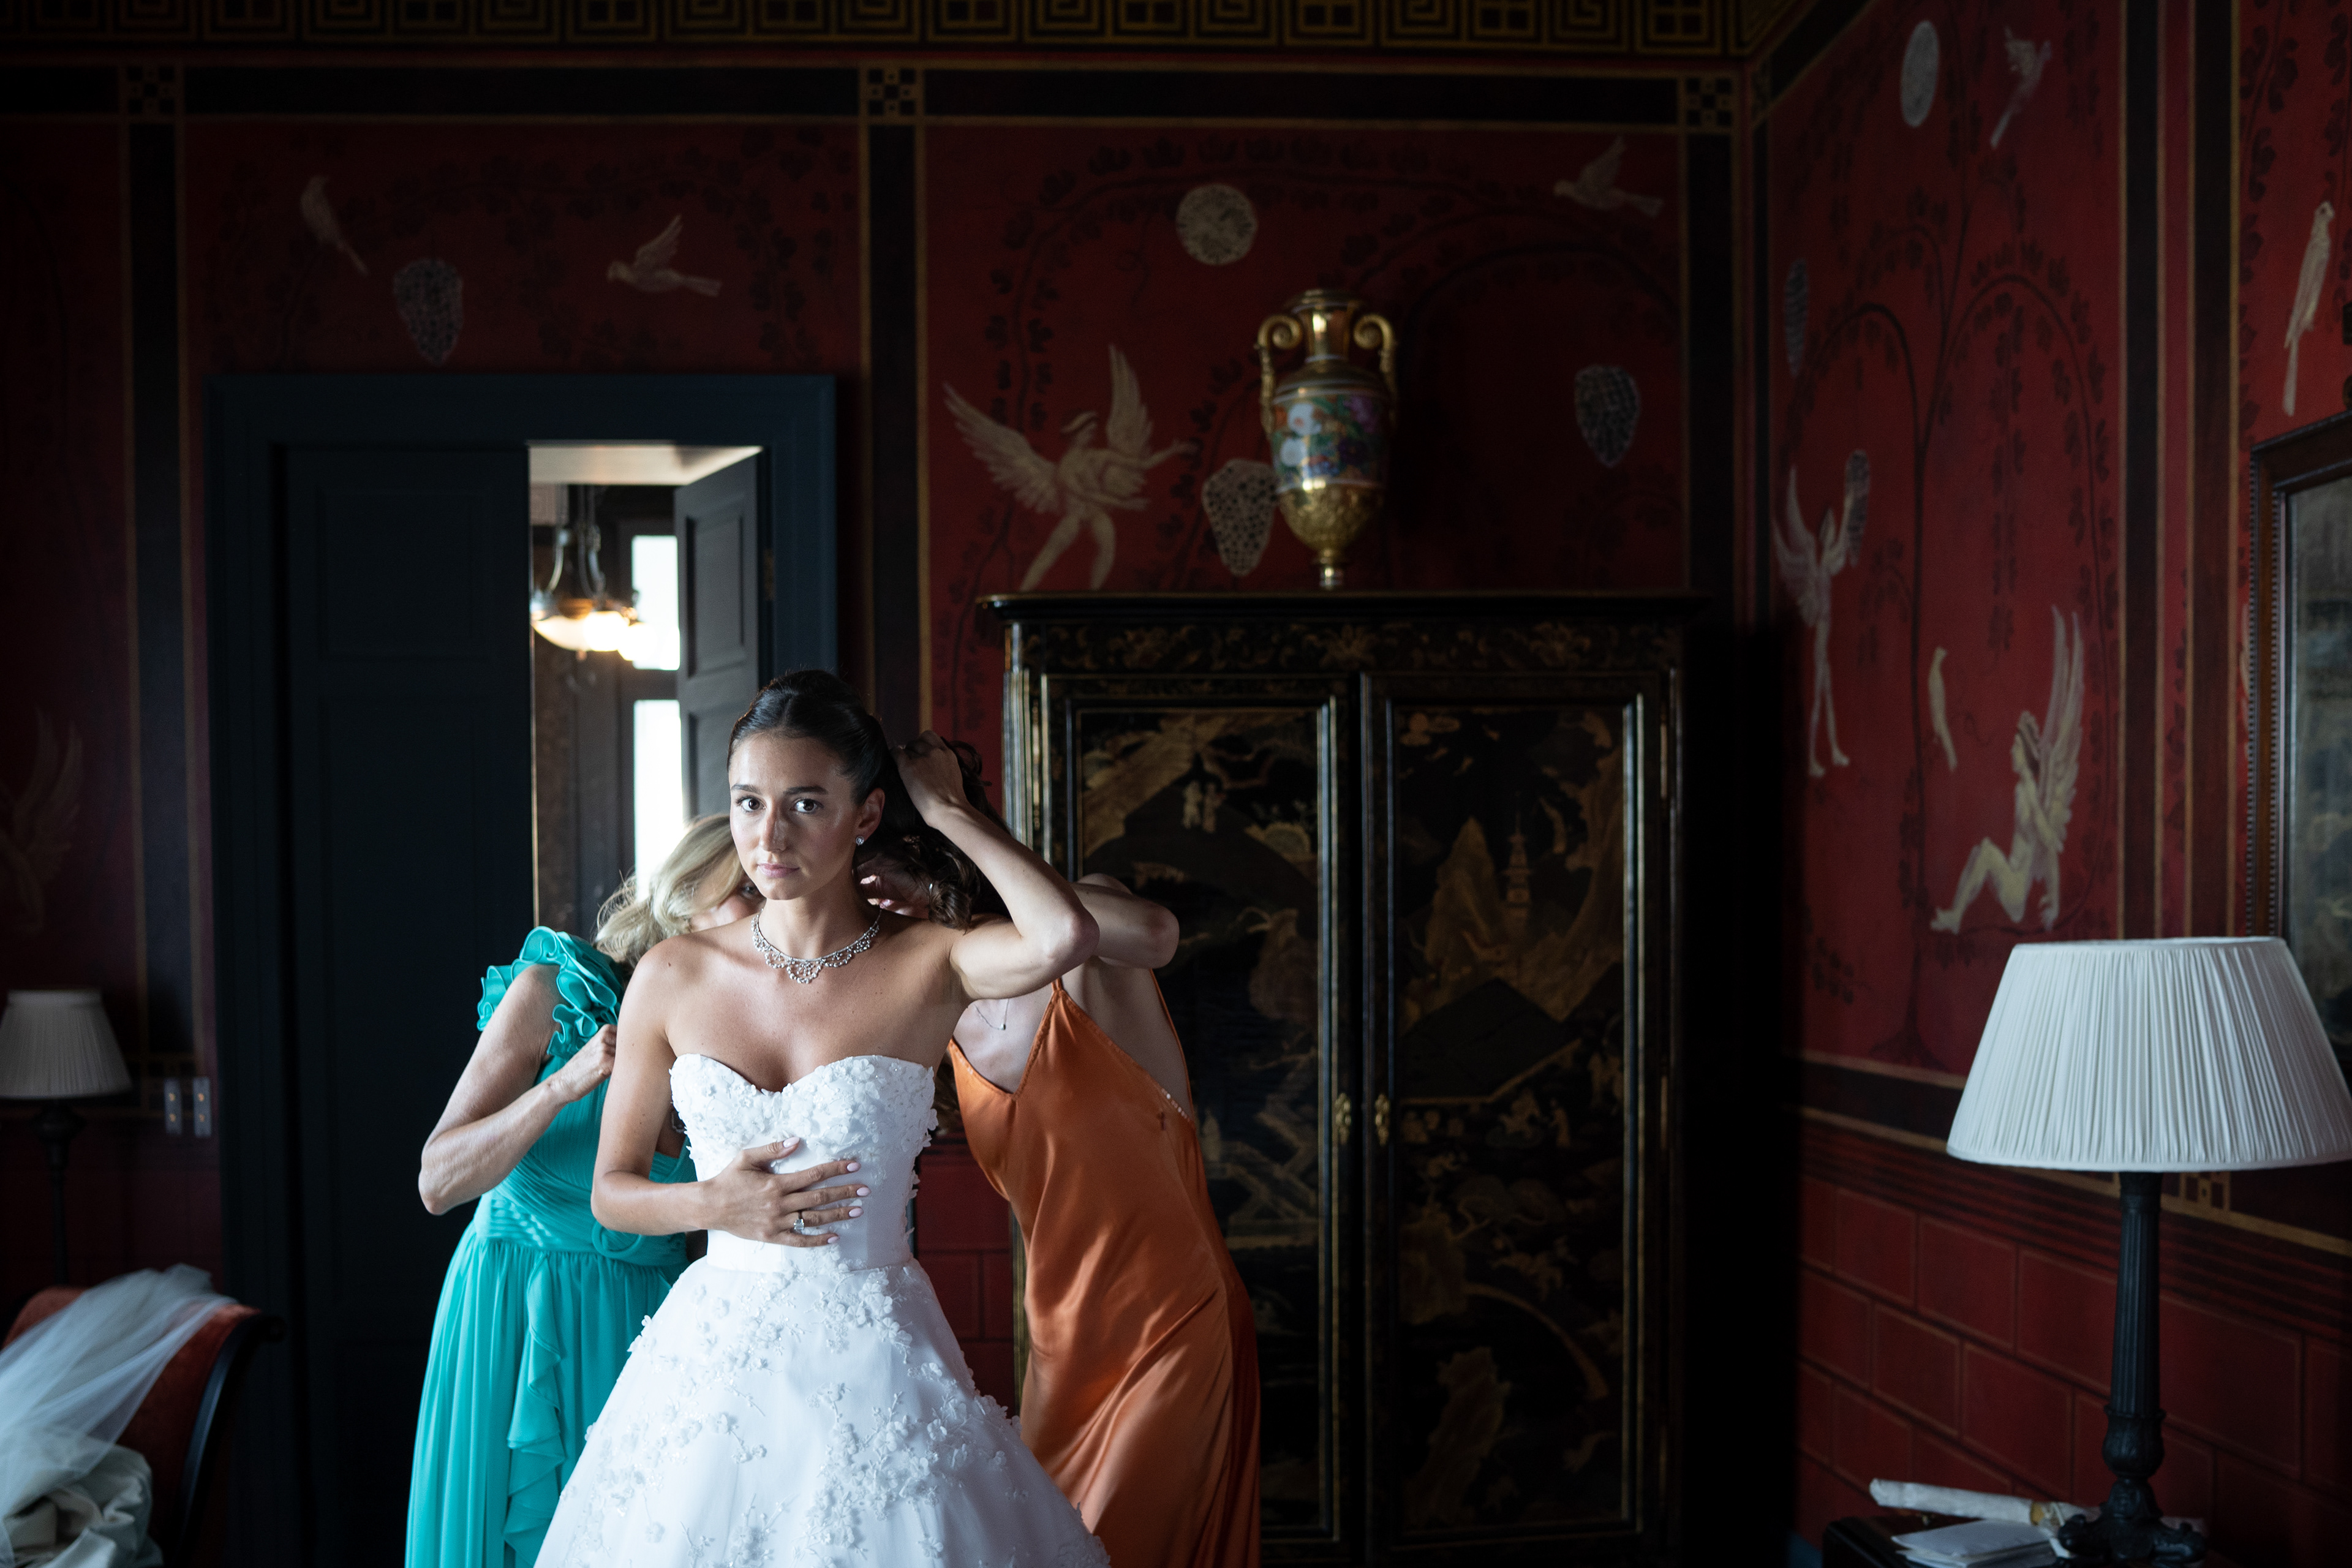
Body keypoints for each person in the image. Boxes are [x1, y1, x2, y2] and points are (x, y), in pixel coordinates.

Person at [537, 671, 1109, 1568]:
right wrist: (713, 1204)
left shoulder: (931, 963)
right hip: (710, 1367)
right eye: (749, 802)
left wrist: (950, 810)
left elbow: (1064, 936)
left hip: (878, 1362)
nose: (769, 837)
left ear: (866, 812)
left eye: (805, 804)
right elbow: (613, 1190)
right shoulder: (674, 973)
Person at [865, 807, 1261, 1568]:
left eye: (885, 876)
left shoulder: (1085, 941)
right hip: (1061, 1348)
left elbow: (1158, 933)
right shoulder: (939, 1016)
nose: (877, 902)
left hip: (1172, 1321)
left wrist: (947, 831)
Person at [405, 816, 759, 1568]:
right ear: (689, 895)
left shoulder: (744, 1039)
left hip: (646, 1326)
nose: (766, 915)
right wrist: (562, 1086)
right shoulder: (555, 993)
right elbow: (439, 1180)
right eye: (747, 892)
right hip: (512, 1307)